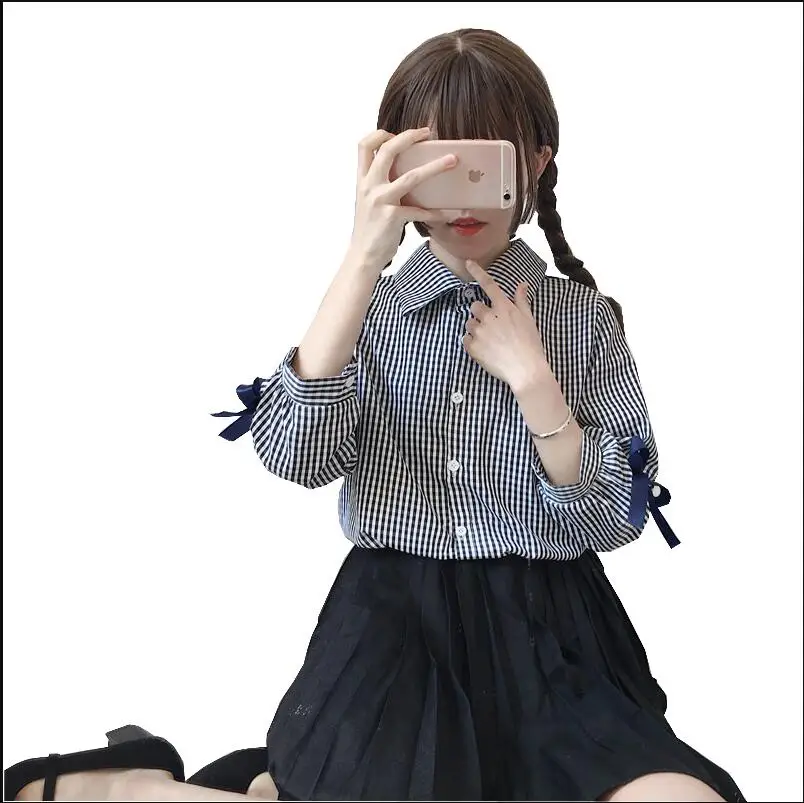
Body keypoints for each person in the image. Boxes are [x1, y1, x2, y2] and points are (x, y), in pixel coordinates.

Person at [4, 27, 746, 803]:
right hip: (396, 629)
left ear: (535, 163)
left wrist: (538, 387)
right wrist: (363, 255)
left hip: (557, 639)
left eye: (485, 159)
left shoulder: (582, 319)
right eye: (439, 161)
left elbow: (620, 515)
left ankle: (250, 787)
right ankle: (125, 787)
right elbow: (295, 455)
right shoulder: (369, 310)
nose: (462, 191)